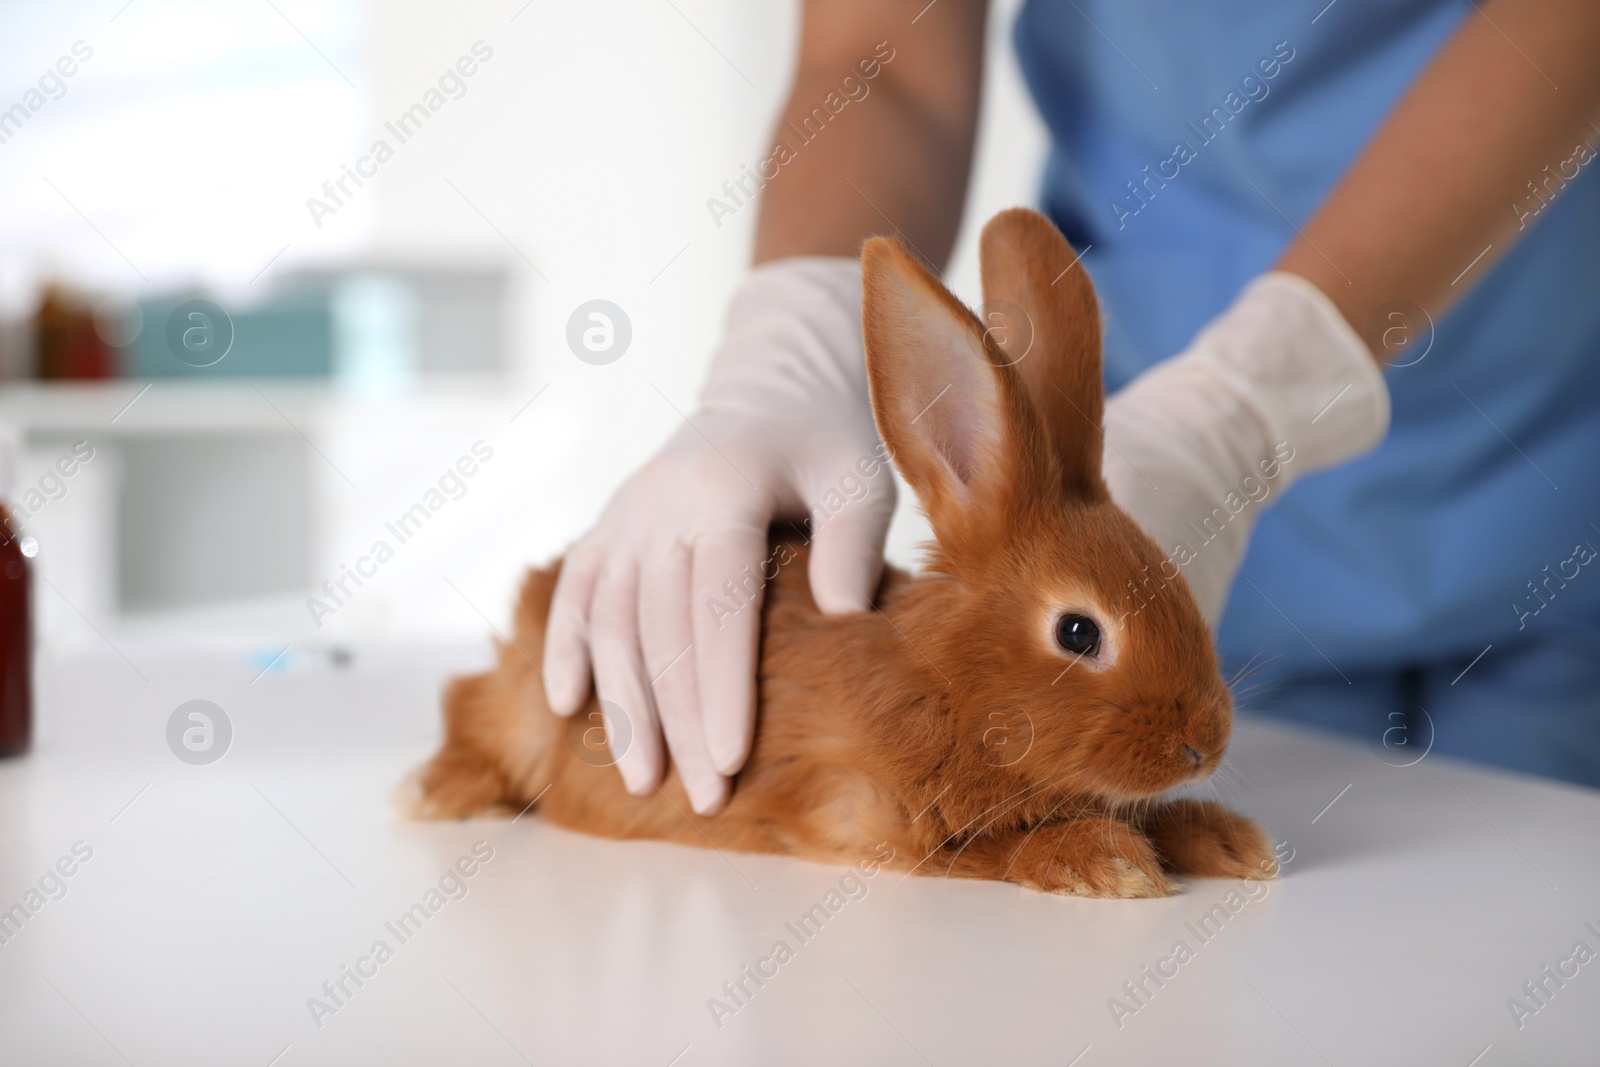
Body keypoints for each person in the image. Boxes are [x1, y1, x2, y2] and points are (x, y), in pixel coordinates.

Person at [543, 0, 1600, 812]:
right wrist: (792, 330)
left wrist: (1244, 405)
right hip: (1187, 540)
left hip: (1546, 459)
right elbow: (882, 57)